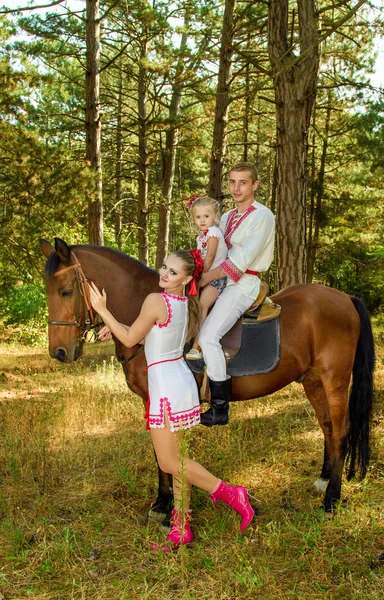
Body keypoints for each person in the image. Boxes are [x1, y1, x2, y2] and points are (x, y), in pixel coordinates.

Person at [88, 250, 254, 551]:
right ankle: (180, 528)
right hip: (177, 382)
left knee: (169, 461)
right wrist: (111, 326)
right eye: (164, 267)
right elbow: (148, 337)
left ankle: (231, 493)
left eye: (173, 272)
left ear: (188, 278)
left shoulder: (156, 300)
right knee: (177, 460)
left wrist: (103, 310)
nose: (164, 274)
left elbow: (129, 339)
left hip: (165, 386)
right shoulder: (183, 303)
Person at [198, 162, 275, 427]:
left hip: (243, 284)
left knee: (208, 337)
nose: (236, 188)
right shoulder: (228, 215)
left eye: (243, 182)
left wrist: (204, 277)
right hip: (220, 281)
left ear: (255, 185)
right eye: (232, 182)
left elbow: (241, 260)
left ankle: (220, 408)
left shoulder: (263, 216)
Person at [185, 196, 228, 361]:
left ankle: (197, 346)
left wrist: (201, 277)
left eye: (206, 216)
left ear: (215, 216)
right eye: (198, 217)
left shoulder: (214, 233)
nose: (202, 220)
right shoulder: (201, 236)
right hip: (204, 275)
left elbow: (209, 257)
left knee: (203, 304)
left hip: (215, 278)